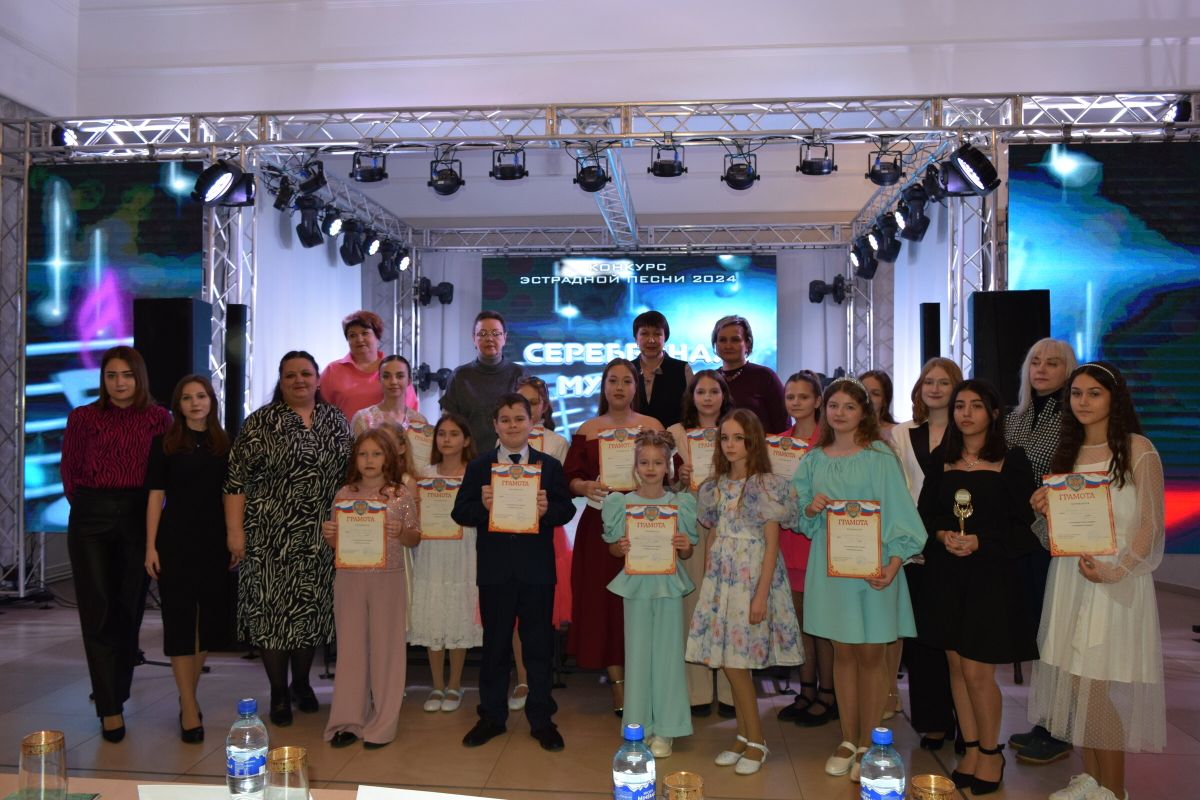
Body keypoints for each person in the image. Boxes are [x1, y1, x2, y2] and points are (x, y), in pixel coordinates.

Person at [1030, 363, 1165, 800]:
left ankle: (1114, 789)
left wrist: (1115, 571)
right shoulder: (1067, 453)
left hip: (1114, 581)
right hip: (1072, 576)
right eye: (1076, 394)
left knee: (1097, 683)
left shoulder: (1137, 449)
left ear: (1114, 398)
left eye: (1094, 393)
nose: (1083, 402)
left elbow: (1149, 527)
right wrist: (1044, 509)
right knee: (1075, 682)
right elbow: (1060, 533)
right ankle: (1091, 779)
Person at [790, 377, 927, 783]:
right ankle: (848, 740)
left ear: (864, 412)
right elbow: (799, 515)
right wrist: (810, 509)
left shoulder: (880, 456)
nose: (840, 413)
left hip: (875, 570)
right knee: (843, 654)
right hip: (832, 572)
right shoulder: (814, 460)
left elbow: (902, 513)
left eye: (850, 406)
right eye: (834, 405)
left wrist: (895, 562)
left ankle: (870, 743)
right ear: (824, 409)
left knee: (871, 655)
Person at [917, 380, 1038, 795]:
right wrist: (942, 536)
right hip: (946, 575)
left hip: (992, 577)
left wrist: (981, 541)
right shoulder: (942, 458)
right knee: (955, 666)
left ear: (994, 413)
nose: (966, 413)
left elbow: (1026, 527)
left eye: (976, 406)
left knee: (977, 671)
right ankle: (969, 749)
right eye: (960, 406)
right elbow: (926, 515)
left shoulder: (1012, 459)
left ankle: (991, 752)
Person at [224, 351, 352, 727]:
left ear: (318, 379)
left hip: (321, 537)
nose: (299, 380)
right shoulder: (260, 423)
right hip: (269, 537)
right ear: (280, 381)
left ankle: (302, 683)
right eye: (291, 375)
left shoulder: (336, 421)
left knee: (310, 613)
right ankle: (279, 692)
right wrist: (235, 533)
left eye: (306, 374)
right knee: (273, 617)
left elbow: (353, 475)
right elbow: (235, 481)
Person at [453, 393, 577, 752]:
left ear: (532, 423)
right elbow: (461, 512)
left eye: (519, 419)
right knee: (494, 648)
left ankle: (542, 719)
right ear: (495, 425)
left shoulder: (548, 466)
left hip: (537, 572)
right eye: (505, 419)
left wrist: (547, 510)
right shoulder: (479, 466)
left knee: (538, 648)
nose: (512, 425)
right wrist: (483, 506)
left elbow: (566, 509)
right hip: (495, 572)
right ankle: (491, 717)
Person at [61, 345, 171, 743]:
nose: (119, 383)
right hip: (91, 515)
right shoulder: (83, 417)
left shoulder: (159, 418)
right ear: (103, 379)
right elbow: (70, 470)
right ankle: (109, 708)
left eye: (126, 375)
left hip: (138, 515)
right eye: (111, 375)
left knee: (128, 610)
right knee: (98, 611)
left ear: (139, 377)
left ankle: (115, 688)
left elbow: (165, 475)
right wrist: (88, 506)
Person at [685, 408, 802, 776]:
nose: (730, 445)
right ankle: (743, 736)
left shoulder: (767, 486)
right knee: (729, 663)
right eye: (725, 438)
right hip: (722, 580)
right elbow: (714, 534)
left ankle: (757, 742)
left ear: (753, 441)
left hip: (751, 579)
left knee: (738, 664)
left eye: (739, 438)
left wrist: (761, 595)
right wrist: (710, 584)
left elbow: (772, 545)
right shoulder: (716, 486)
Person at [565, 358, 664, 715]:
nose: (619, 387)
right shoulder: (588, 429)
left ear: (637, 387)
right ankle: (619, 686)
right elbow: (570, 478)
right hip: (599, 526)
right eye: (613, 381)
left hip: (648, 523)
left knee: (645, 602)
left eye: (626, 381)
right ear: (603, 386)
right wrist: (584, 486)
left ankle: (647, 679)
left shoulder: (652, 426)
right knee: (604, 605)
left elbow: (670, 472)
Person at [144, 374, 230, 744]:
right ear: (177, 405)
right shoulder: (164, 444)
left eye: (201, 396)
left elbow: (231, 495)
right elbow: (154, 496)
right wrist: (150, 546)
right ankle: (190, 706)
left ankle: (187, 697)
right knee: (179, 622)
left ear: (211, 400)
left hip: (214, 542)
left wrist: (234, 538)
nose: (195, 403)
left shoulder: (225, 443)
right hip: (175, 541)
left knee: (206, 623)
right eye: (187, 398)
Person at [603, 430, 699, 759]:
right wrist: (621, 547)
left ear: (668, 465)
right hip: (636, 586)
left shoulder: (679, 504)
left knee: (668, 654)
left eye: (658, 462)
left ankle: (668, 728)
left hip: (668, 584)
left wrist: (683, 547)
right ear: (635, 465)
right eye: (644, 462)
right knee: (638, 654)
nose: (650, 468)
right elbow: (614, 548)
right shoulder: (622, 503)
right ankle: (638, 726)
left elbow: (686, 551)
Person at [322, 428, 420, 748]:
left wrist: (401, 530)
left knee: (386, 651)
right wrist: (330, 536)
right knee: (351, 650)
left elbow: (414, 538)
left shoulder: (399, 494)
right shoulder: (344, 494)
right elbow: (337, 542)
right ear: (355, 459)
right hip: (349, 579)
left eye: (376, 454)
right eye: (363, 454)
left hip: (387, 578)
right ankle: (348, 721)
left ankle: (383, 724)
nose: (369, 460)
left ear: (388, 458)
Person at [1004, 338, 1078, 766]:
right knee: (1039, 632)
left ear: (1069, 370)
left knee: (1059, 633)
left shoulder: (1075, 419)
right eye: (1035, 362)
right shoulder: (1014, 418)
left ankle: (1062, 728)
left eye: (1053, 363)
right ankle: (1047, 720)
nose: (1042, 370)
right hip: (1020, 538)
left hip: (1056, 538)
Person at [889, 357, 964, 752]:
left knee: (958, 637)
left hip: (957, 542)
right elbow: (897, 488)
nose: (934, 389)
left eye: (943, 382)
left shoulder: (969, 431)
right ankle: (933, 722)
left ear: (957, 388)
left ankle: (967, 723)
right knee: (922, 638)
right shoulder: (902, 433)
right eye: (928, 382)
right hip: (915, 543)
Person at [665, 370, 736, 718]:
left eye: (714, 391)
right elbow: (664, 482)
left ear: (724, 395)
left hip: (730, 523)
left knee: (729, 604)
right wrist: (679, 479)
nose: (707, 397)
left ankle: (732, 691)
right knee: (693, 604)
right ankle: (696, 692)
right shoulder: (675, 433)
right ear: (691, 397)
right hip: (691, 522)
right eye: (700, 391)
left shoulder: (736, 428)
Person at [774, 370, 837, 728]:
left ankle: (828, 694)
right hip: (787, 540)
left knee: (820, 622)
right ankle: (806, 690)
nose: (796, 402)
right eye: (790, 397)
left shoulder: (828, 441)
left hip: (817, 539)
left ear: (817, 401)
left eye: (803, 396)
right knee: (798, 622)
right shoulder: (776, 443)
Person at [409, 412, 483, 714]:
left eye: (454, 434)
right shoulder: (424, 473)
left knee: (458, 611)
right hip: (431, 550)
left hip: (463, 548)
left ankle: (454, 684)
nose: (447, 439)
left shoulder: (475, 472)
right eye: (442, 434)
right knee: (434, 611)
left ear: (466, 440)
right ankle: (437, 685)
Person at [509, 376, 571, 712]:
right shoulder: (500, 441)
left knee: (542, 613)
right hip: (509, 533)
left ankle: (540, 680)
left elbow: (560, 496)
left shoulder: (557, 443)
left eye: (533, 402)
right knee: (515, 614)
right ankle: (522, 679)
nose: (528, 408)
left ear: (544, 407)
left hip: (546, 535)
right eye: (521, 401)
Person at [440, 310, 527, 454]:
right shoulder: (460, 376)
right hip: (469, 458)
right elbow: (448, 423)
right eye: (482, 333)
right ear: (474, 338)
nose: (489, 338)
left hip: (512, 458)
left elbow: (530, 420)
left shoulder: (520, 374)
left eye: (495, 333)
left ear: (504, 338)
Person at [321, 310, 418, 422]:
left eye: (365, 333)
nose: (359, 339)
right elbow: (322, 411)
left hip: (391, 433)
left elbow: (410, 411)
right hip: (344, 433)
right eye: (352, 335)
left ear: (377, 337)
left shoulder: (396, 369)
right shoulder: (332, 371)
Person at [711, 315, 788, 433]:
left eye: (735, 340)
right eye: (722, 340)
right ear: (715, 344)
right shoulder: (709, 379)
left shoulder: (765, 376)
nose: (728, 345)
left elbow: (783, 424)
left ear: (747, 343)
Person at [631, 310, 694, 429]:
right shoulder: (627, 369)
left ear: (665, 338)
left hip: (673, 438)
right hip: (631, 439)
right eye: (644, 334)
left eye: (657, 334)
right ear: (636, 338)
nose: (651, 340)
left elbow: (693, 411)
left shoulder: (682, 369)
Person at [349, 355, 428, 435]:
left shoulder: (420, 421)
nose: (393, 381)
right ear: (379, 380)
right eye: (386, 376)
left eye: (400, 376)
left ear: (409, 380)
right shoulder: (363, 419)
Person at [860, 369, 898, 441]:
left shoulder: (897, 432)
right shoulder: (845, 429)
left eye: (875, 394)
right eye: (863, 391)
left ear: (884, 401)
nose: (867, 397)